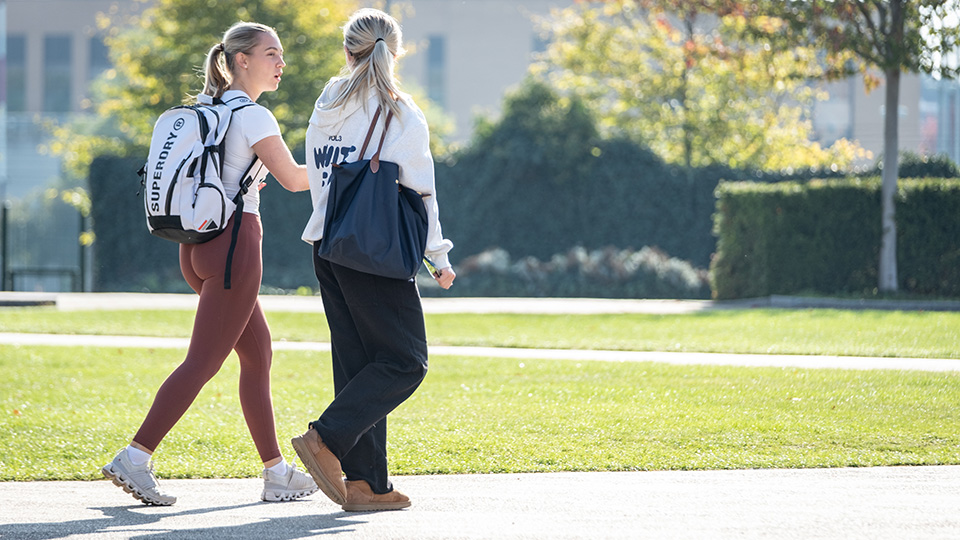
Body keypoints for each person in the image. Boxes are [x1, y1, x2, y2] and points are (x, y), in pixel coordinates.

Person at [102, 22, 316, 506]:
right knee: (203, 362)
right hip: (234, 248)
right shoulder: (255, 116)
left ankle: (276, 472)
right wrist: (346, 164)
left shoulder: (208, 108)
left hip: (195, 247)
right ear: (242, 60)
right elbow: (297, 181)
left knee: (258, 354)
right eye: (271, 54)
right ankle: (135, 457)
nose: (281, 62)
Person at [292, 8, 456, 512]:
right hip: (374, 250)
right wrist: (437, 256)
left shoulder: (326, 103)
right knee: (406, 360)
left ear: (347, 50)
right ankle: (324, 439)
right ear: (397, 52)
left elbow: (321, 177)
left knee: (358, 364)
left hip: (328, 245)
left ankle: (367, 486)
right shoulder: (400, 111)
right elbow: (420, 191)